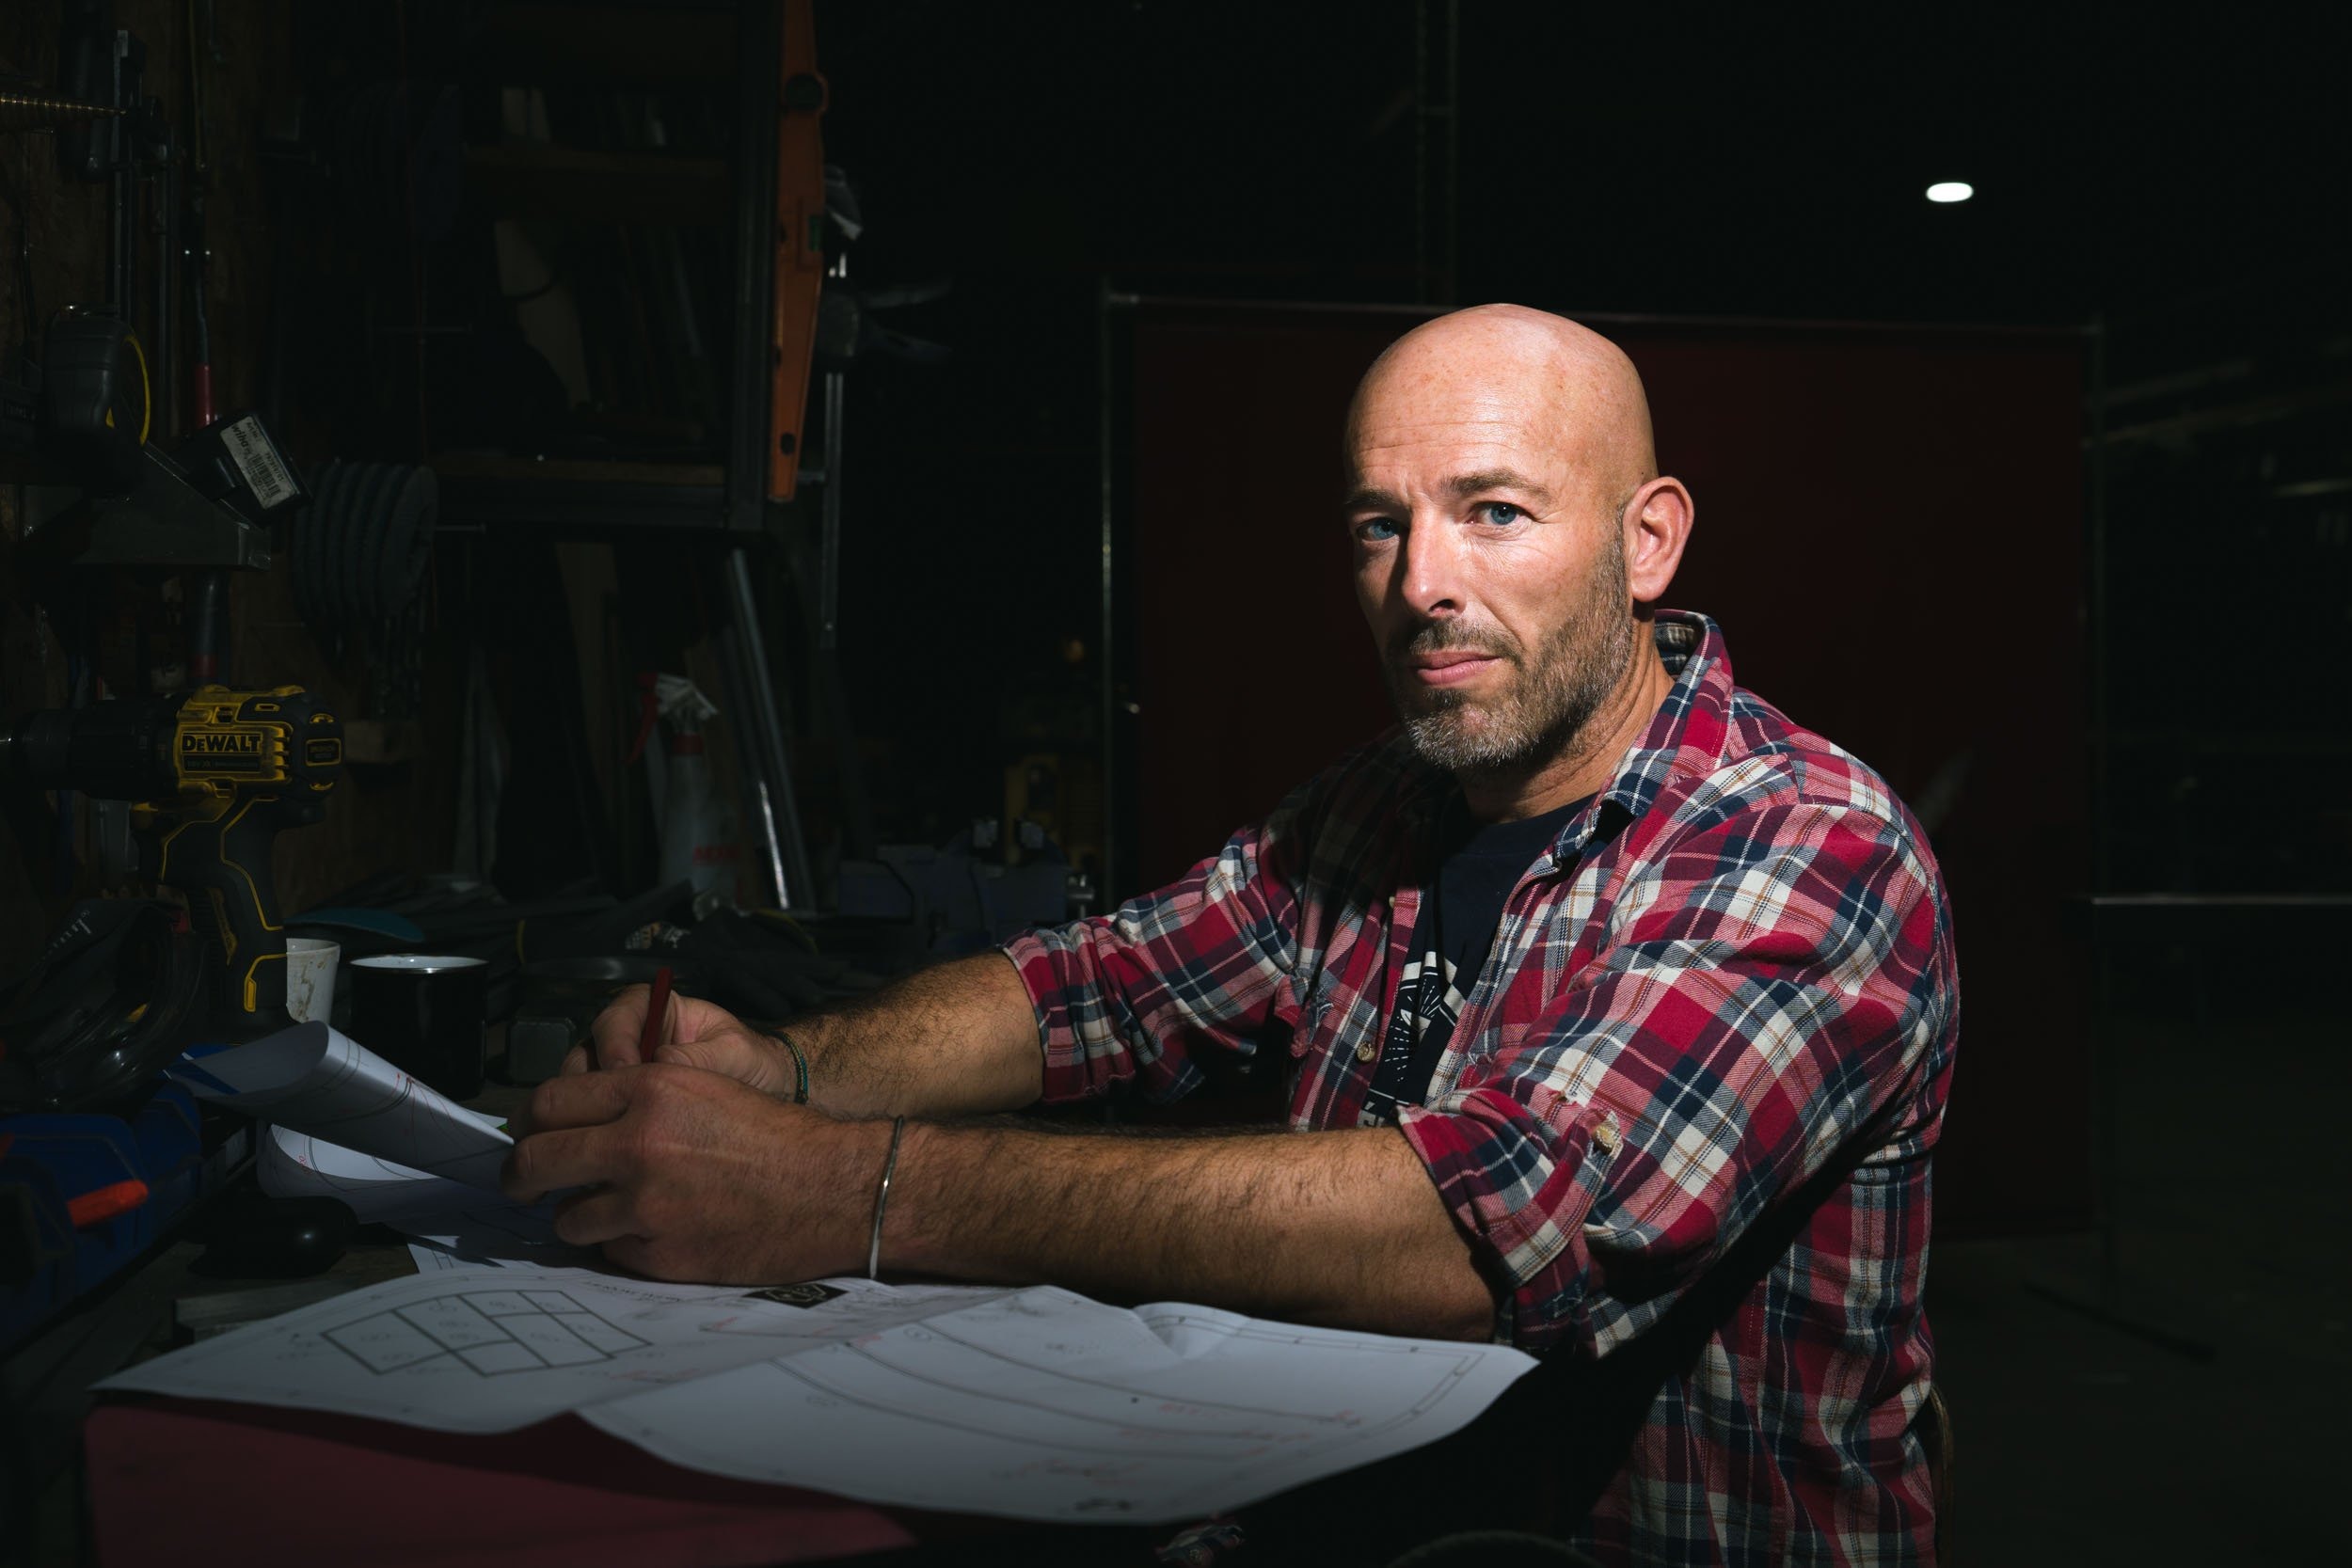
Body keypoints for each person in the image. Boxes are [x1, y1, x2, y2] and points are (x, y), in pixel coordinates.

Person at [504, 304, 1959, 1564]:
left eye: (1495, 512)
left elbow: (1500, 1227)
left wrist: (846, 1191)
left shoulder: (1806, 841)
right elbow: (1100, 986)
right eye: (1381, 525)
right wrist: (787, 1070)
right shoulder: (1381, 808)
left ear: (1647, 542)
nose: (1422, 586)